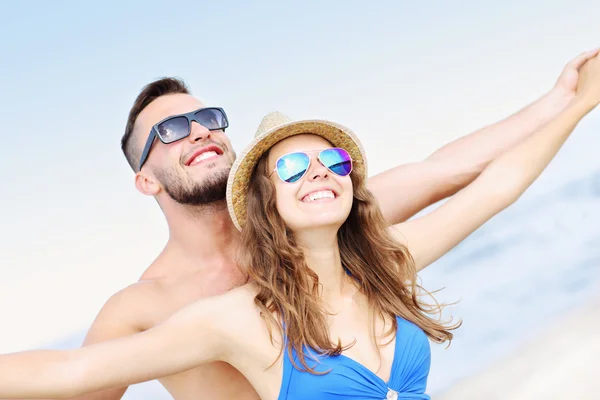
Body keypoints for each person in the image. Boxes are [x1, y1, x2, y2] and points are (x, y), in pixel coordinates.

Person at [1, 52, 599, 400]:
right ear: (146, 181)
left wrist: (562, 101)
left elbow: (455, 173)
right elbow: (70, 380)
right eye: (170, 131)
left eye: (207, 118)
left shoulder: (323, 221)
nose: (199, 131)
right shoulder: (145, 308)